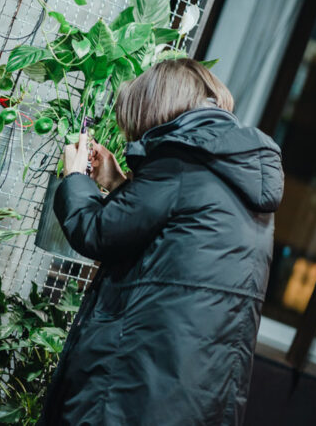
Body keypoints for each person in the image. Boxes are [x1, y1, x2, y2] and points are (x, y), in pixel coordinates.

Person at [39, 59, 284, 426]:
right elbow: (176, 235)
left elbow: (96, 231)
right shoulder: (236, 171)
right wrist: (119, 184)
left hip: (136, 387)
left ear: (151, 109)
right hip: (197, 391)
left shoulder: (179, 163)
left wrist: (75, 177)